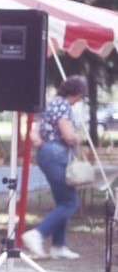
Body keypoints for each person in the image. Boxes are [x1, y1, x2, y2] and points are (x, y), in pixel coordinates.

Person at [22, 75, 88, 260]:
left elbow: (37, 129)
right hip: (57, 153)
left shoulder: (51, 103)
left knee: (63, 200)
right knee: (70, 202)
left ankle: (59, 246)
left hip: (46, 153)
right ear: (78, 93)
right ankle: (38, 233)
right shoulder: (63, 106)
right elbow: (68, 135)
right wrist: (77, 137)